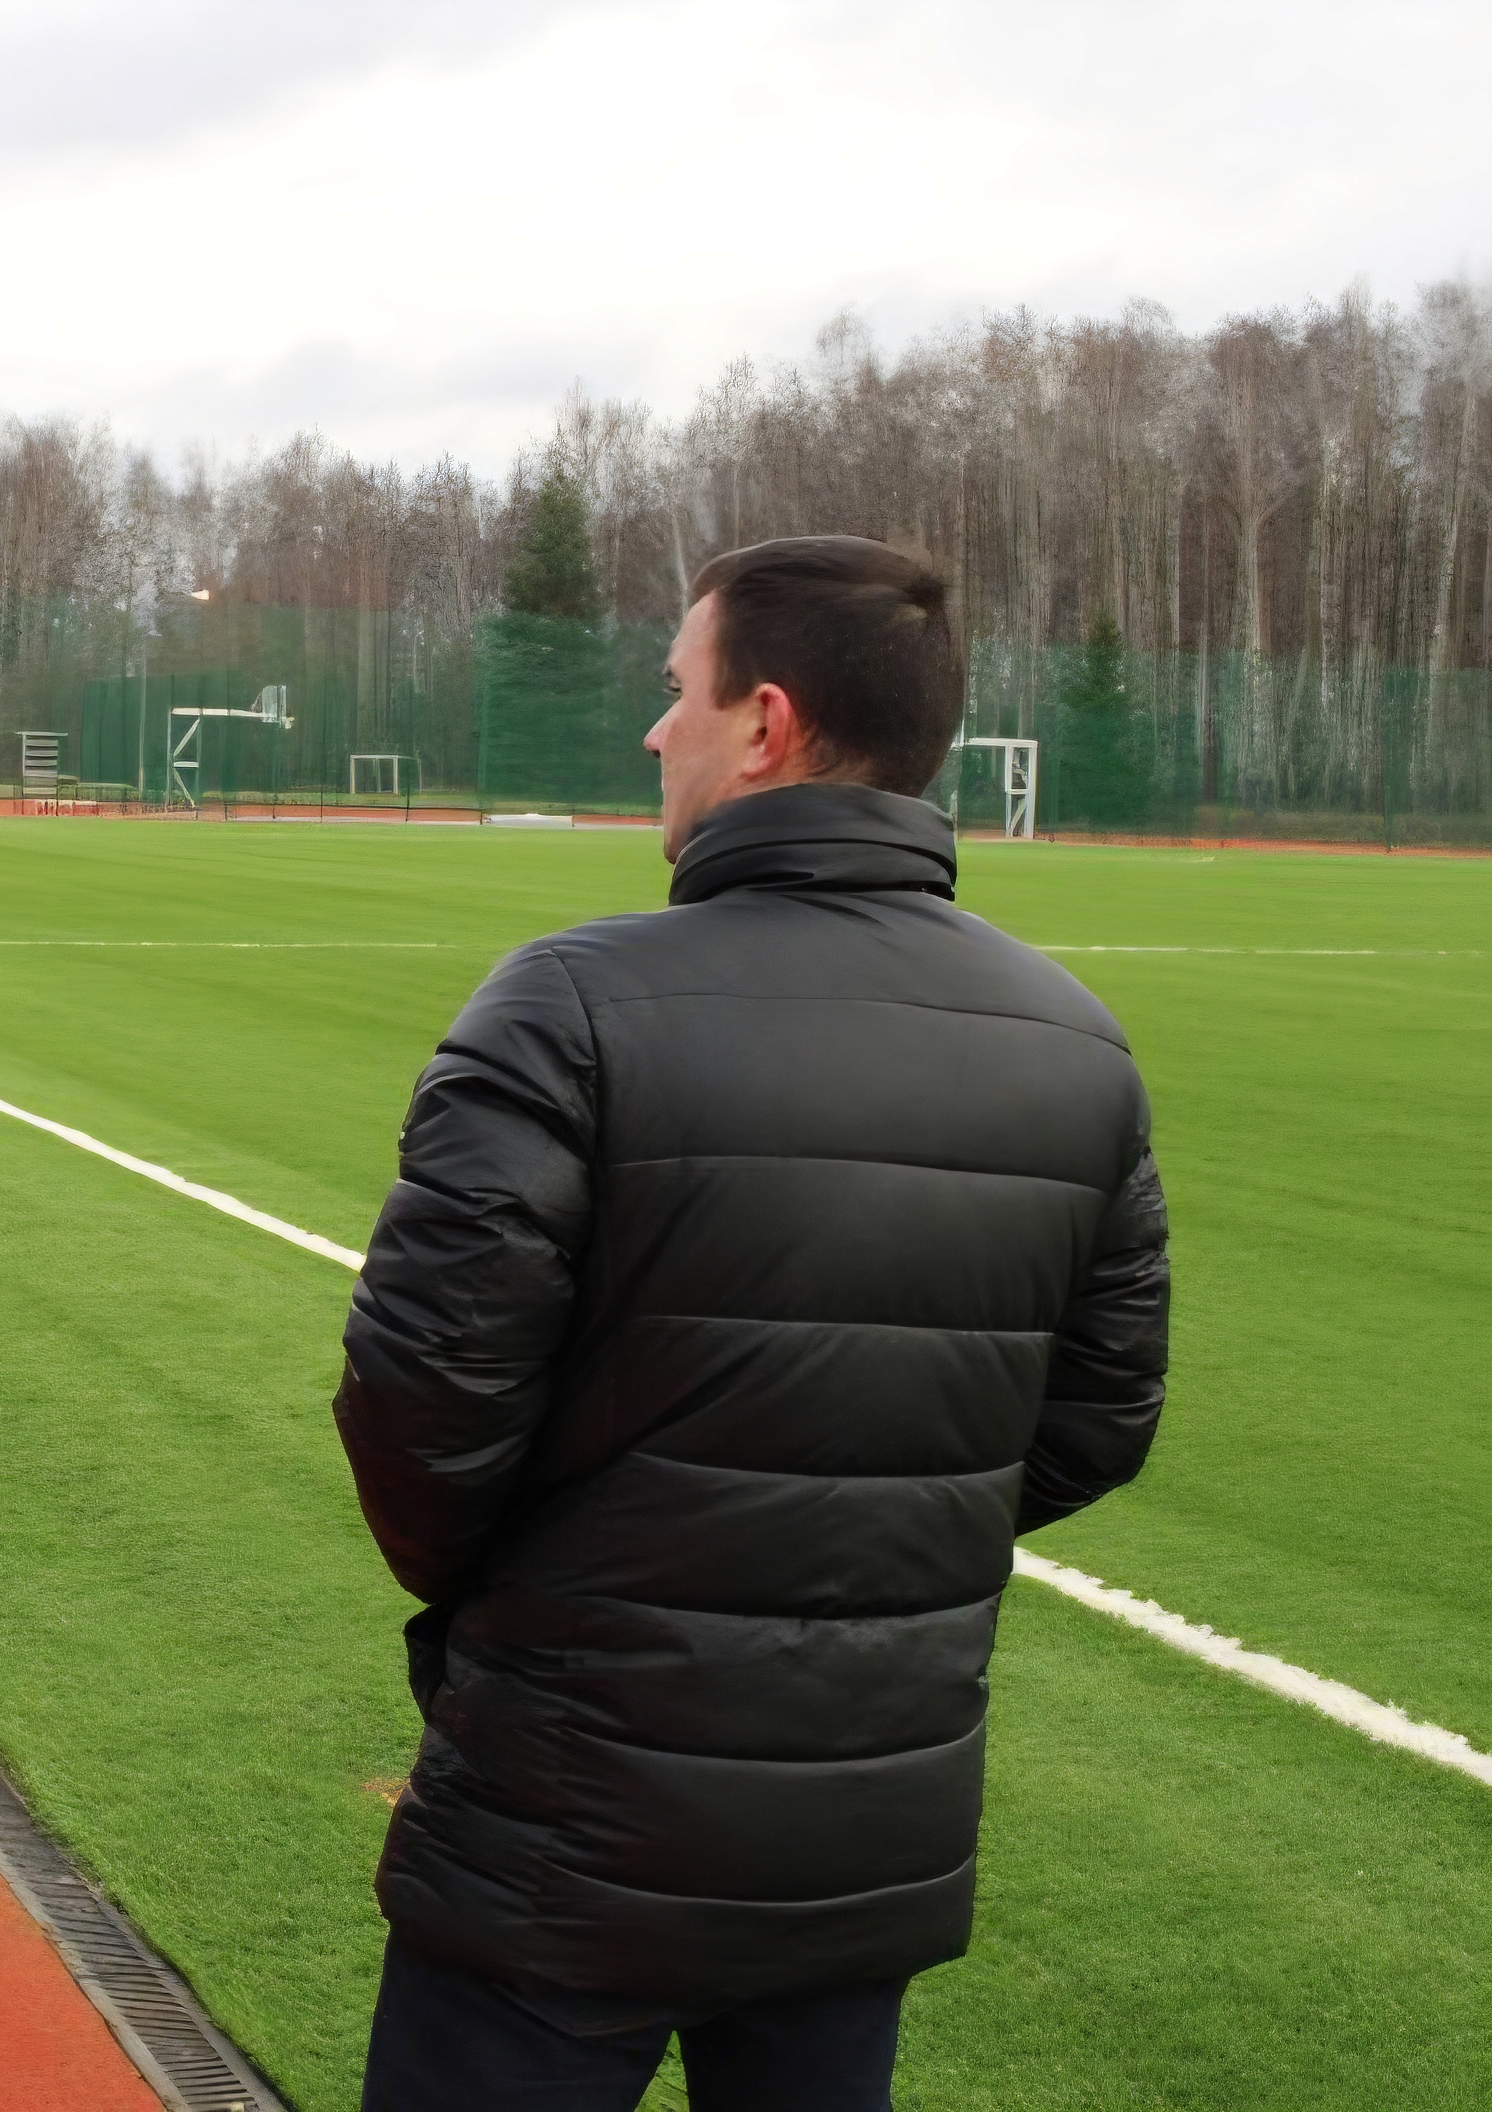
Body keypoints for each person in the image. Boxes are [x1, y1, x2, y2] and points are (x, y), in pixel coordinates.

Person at [336, 536, 1169, 2110]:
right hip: (869, 1808)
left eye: (675, 692)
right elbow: (1096, 1418)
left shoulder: (565, 1002)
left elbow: (423, 1403)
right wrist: (864, 1557)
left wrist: (536, 1593)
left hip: (567, 1798)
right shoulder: (1078, 1041)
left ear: (766, 723)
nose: (656, 730)